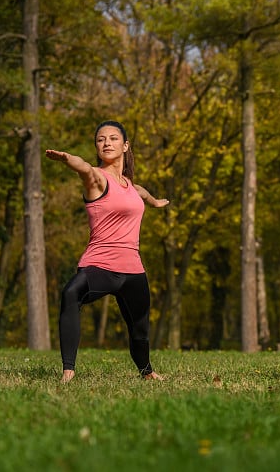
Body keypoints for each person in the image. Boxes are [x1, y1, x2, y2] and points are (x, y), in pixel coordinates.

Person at [46, 120, 169, 383]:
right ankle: (69, 369)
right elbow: (83, 167)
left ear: (125, 146)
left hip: (134, 270)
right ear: (97, 147)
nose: (107, 143)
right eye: (101, 139)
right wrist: (68, 158)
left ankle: (146, 371)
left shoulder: (128, 184)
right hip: (100, 265)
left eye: (113, 139)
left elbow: (139, 191)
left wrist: (154, 201)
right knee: (71, 293)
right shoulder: (96, 178)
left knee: (139, 329)